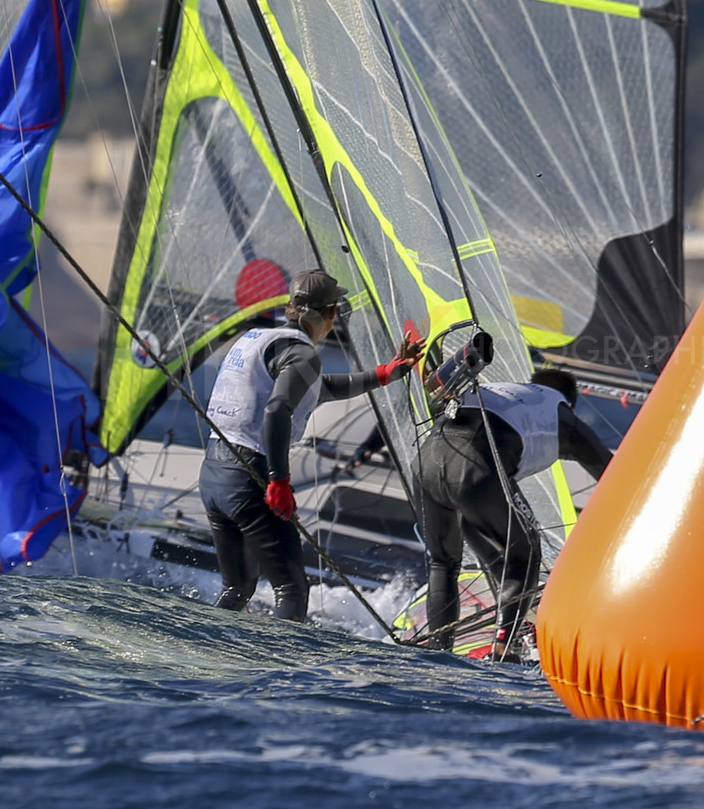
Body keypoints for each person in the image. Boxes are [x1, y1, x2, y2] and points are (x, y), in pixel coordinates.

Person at [200, 269, 423, 622]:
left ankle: (207, 651)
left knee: (237, 588)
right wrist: (279, 481)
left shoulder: (256, 338)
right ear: (331, 314)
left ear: (291, 307)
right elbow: (277, 409)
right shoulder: (302, 354)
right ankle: (274, 674)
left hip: (213, 475)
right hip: (249, 479)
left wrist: (385, 373)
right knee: (292, 589)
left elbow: (319, 388)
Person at [415, 368, 613, 658]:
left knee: (443, 563)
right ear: (570, 403)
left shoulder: (502, 389)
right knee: (527, 553)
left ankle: (437, 652)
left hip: (425, 463)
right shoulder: (562, 415)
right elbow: (613, 475)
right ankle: (503, 650)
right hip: (476, 471)